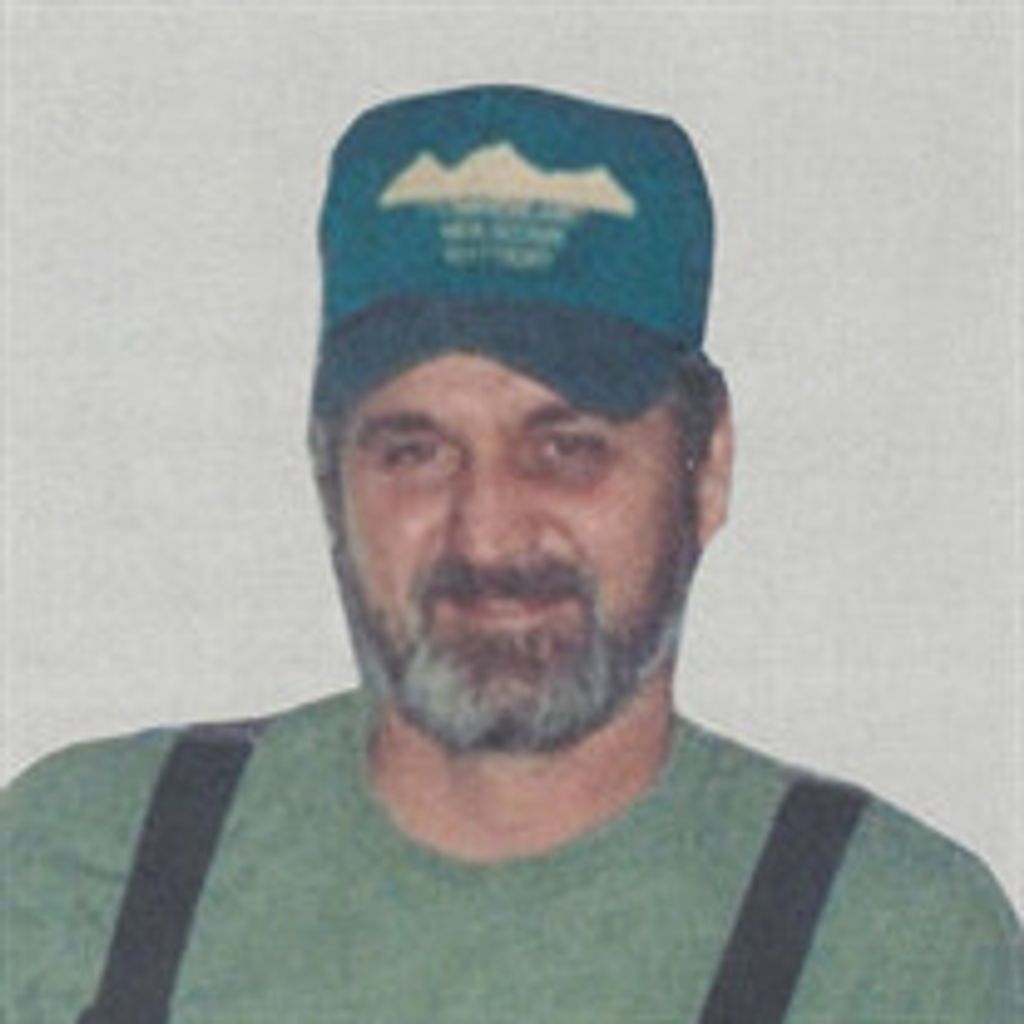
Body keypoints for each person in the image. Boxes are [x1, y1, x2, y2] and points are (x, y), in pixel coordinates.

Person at [3, 84, 1021, 1024]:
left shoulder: (885, 949)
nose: (486, 533)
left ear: (705, 466)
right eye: (414, 452)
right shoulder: (83, 870)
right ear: (328, 472)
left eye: (566, 449)